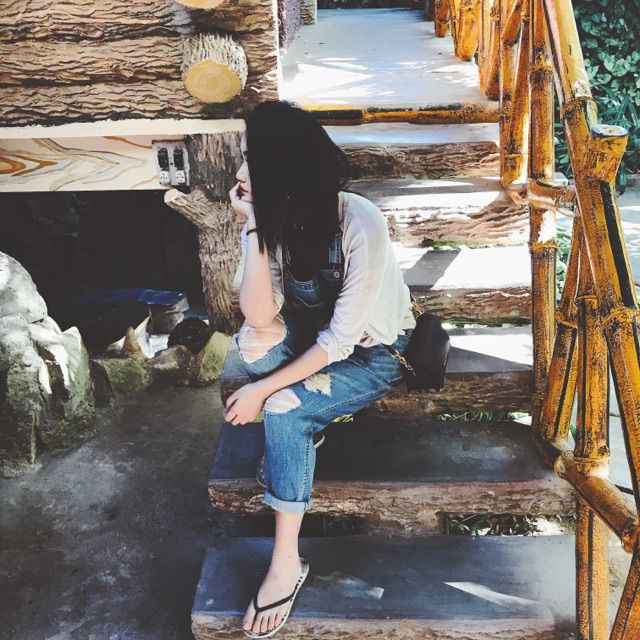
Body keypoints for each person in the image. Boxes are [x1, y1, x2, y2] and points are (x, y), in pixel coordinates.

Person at [224, 99, 416, 638]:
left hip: (375, 353)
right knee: (254, 342)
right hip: (317, 341)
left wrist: (263, 391)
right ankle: (305, 429)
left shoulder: (359, 221)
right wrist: (254, 228)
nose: (240, 173)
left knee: (283, 406)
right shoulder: (275, 215)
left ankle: (286, 561)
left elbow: (340, 341)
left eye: (251, 160)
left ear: (283, 168)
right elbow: (259, 314)